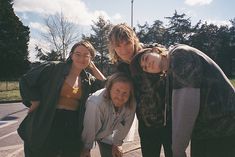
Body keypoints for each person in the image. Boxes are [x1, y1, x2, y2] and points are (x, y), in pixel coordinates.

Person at [130, 44, 235, 157]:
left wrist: (177, 149)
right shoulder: (170, 73)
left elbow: (186, 107)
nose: (148, 65)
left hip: (224, 127)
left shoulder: (180, 55)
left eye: (146, 59)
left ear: (155, 50)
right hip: (204, 131)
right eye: (145, 68)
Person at [18, 40, 106, 157]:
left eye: (86, 55)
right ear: (71, 55)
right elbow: (26, 80)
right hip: (48, 121)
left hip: (72, 125)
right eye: (78, 54)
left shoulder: (87, 79)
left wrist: (93, 67)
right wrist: (35, 100)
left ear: (90, 59)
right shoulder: (54, 68)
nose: (81, 58)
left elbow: (106, 86)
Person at [108, 23, 172, 157]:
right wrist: (117, 140)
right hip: (147, 125)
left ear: (134, 39)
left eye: (127, 43)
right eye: (118, 46)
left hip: (171, 121)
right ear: (113, 48)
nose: (124, 49)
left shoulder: (152, 53)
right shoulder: (122, 69)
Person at [80, 72, 136, 157]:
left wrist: (117, 143)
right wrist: (86, 149)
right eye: (117, 91)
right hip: (83, 133)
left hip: (105, 133)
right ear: (109, 89)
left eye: (125, 93)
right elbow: (90, 128)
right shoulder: (96, 103)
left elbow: (125, 126)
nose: (120, 97)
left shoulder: (131, 103)